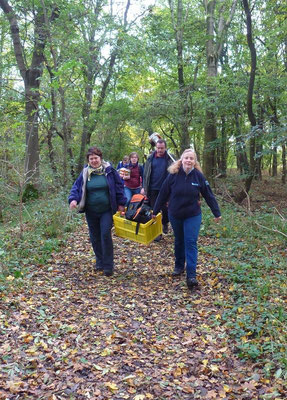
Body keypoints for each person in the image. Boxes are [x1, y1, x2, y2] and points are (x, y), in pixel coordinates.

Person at [152, 149, 221, 290]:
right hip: (175, 214)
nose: (188, 160)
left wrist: (216, 212)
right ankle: (178, 266)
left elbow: (208, 195)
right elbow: (163, 193)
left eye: (191, 158)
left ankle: (191, 275)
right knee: (179, 240)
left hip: (193, 215)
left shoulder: (198, 177)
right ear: (181, 160)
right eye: (186, 158)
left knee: (190, 242)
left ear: (194, 162)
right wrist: (155, 210)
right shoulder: (173, 175)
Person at [68, 146, 126, 276]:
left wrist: (121, 202)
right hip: (91, 210)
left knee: (105, 234)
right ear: (88, 160)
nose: (94, 161)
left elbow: (119, 186)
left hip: (106, 209)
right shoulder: (85, 173)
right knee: (95, 237)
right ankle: (99, 261)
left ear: (100, 158)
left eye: (96, 158)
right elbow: (76, 188)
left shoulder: (109, 171)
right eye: (91, 159)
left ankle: (108, 265)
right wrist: (73, 200)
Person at [141, 139, 173, 236]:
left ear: (165, 148)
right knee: (155, 210)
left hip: (166, 189)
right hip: (153, 188)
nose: (159, 150)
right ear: (156, 147)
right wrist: (144, 187)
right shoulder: (150, 158)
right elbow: (145, 174)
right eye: (158, 148)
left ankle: (165, 223)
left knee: (166, 209)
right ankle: (157, 233)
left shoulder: (170, 158)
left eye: (162, 148)